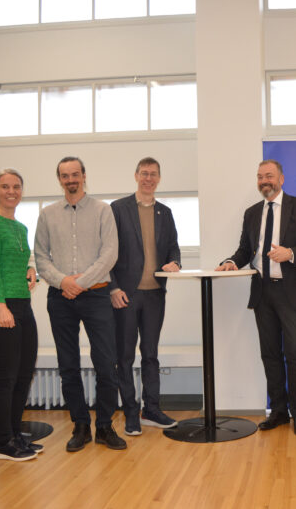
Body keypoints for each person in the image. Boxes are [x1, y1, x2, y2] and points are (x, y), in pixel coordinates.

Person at [216, 159, 296, 436]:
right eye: (260, 177)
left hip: (293, 292)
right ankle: (278, 411)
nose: (264, 181)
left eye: (269, 176)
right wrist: (231, 261)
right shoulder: (252, 213)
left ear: (281, 179)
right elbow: (245, 249)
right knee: (270, 354)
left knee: (295, 354)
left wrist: (291, 253)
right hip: (263, 292)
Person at [35, 157, 127, 452]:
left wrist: (81, 283)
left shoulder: (102, 210)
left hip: (97, 296)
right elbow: (41, 257)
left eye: (75, 174)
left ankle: (104, 426)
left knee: (106, 364)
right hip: (60, 298)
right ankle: (81, 426)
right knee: (68, 365)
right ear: (59, 179)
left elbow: (110, 254)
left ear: (84, 176)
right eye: (65, 175)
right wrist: (64, 282)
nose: (71, 179)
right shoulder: (47, 214)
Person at [110, 157, 181, 436]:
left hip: (155, 295)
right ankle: (131, 414)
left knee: (151, 355)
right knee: (125, 356)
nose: (148, 178)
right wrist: (113, 288)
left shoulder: (166, 212)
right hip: (125, 295)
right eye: (144, 173)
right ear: (136, 176)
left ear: (158, 178)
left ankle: (151, 410)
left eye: (153, 174)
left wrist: (175, 262)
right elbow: (107, 252)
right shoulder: (118, 209)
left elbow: (173, 247)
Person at [0, 168, 41, 461]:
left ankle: (16, 435)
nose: (11, 191)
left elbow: (18, 259)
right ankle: (3, 443)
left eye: (16, 186)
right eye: (5, 186)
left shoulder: (20, 227)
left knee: (24, 375)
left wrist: (30, 268)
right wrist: (0, 305)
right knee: (7, 377)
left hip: (23, 305)